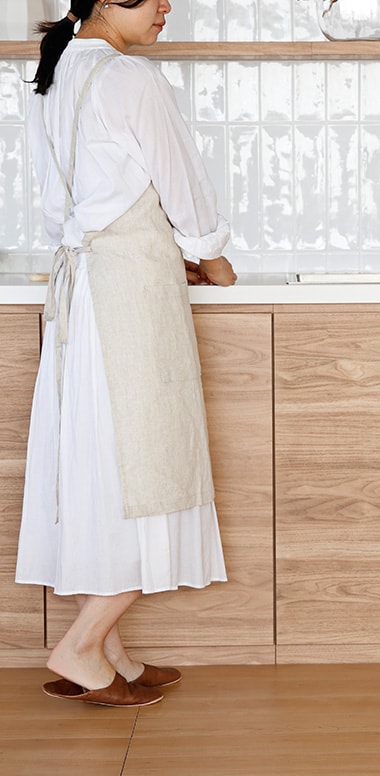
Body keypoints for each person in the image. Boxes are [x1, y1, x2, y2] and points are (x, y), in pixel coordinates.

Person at [15, 0, 237, 707]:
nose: (167, 6)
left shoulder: (51, 77)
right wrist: (211, 257)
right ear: (106, 0)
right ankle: (80, 646)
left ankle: (112, 652)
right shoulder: (130, 78)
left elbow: (66, 208)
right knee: (146, 462)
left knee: (98, 465)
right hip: (129, 296)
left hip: (84, 292)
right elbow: (182, 183)